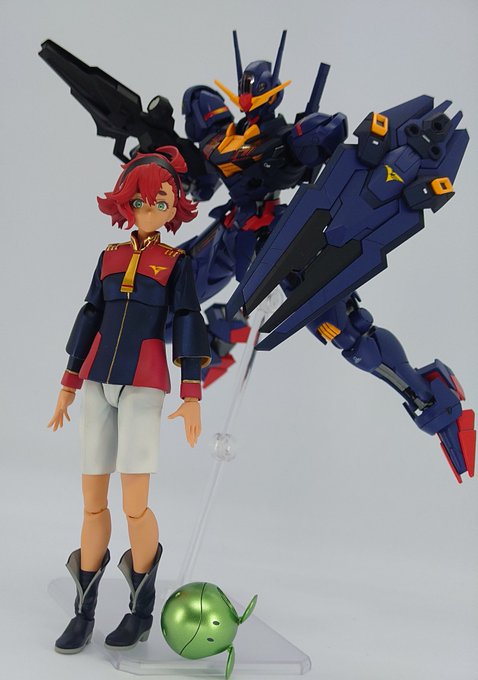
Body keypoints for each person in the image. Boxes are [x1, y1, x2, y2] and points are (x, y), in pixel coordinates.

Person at [48, 146, 210, 654]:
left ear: (174, 207)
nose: (149, 210)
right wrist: (68, 383)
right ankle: (83, 613)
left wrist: (192, 392)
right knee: (92, 502)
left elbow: (188, 320)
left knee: (135, 506)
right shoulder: (110, 257)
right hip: (97, 381)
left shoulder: (176, 263)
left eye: (161, 202)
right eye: (140, 201)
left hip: (144, 384)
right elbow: (90, 316)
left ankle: (140, 612)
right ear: (125, 204)